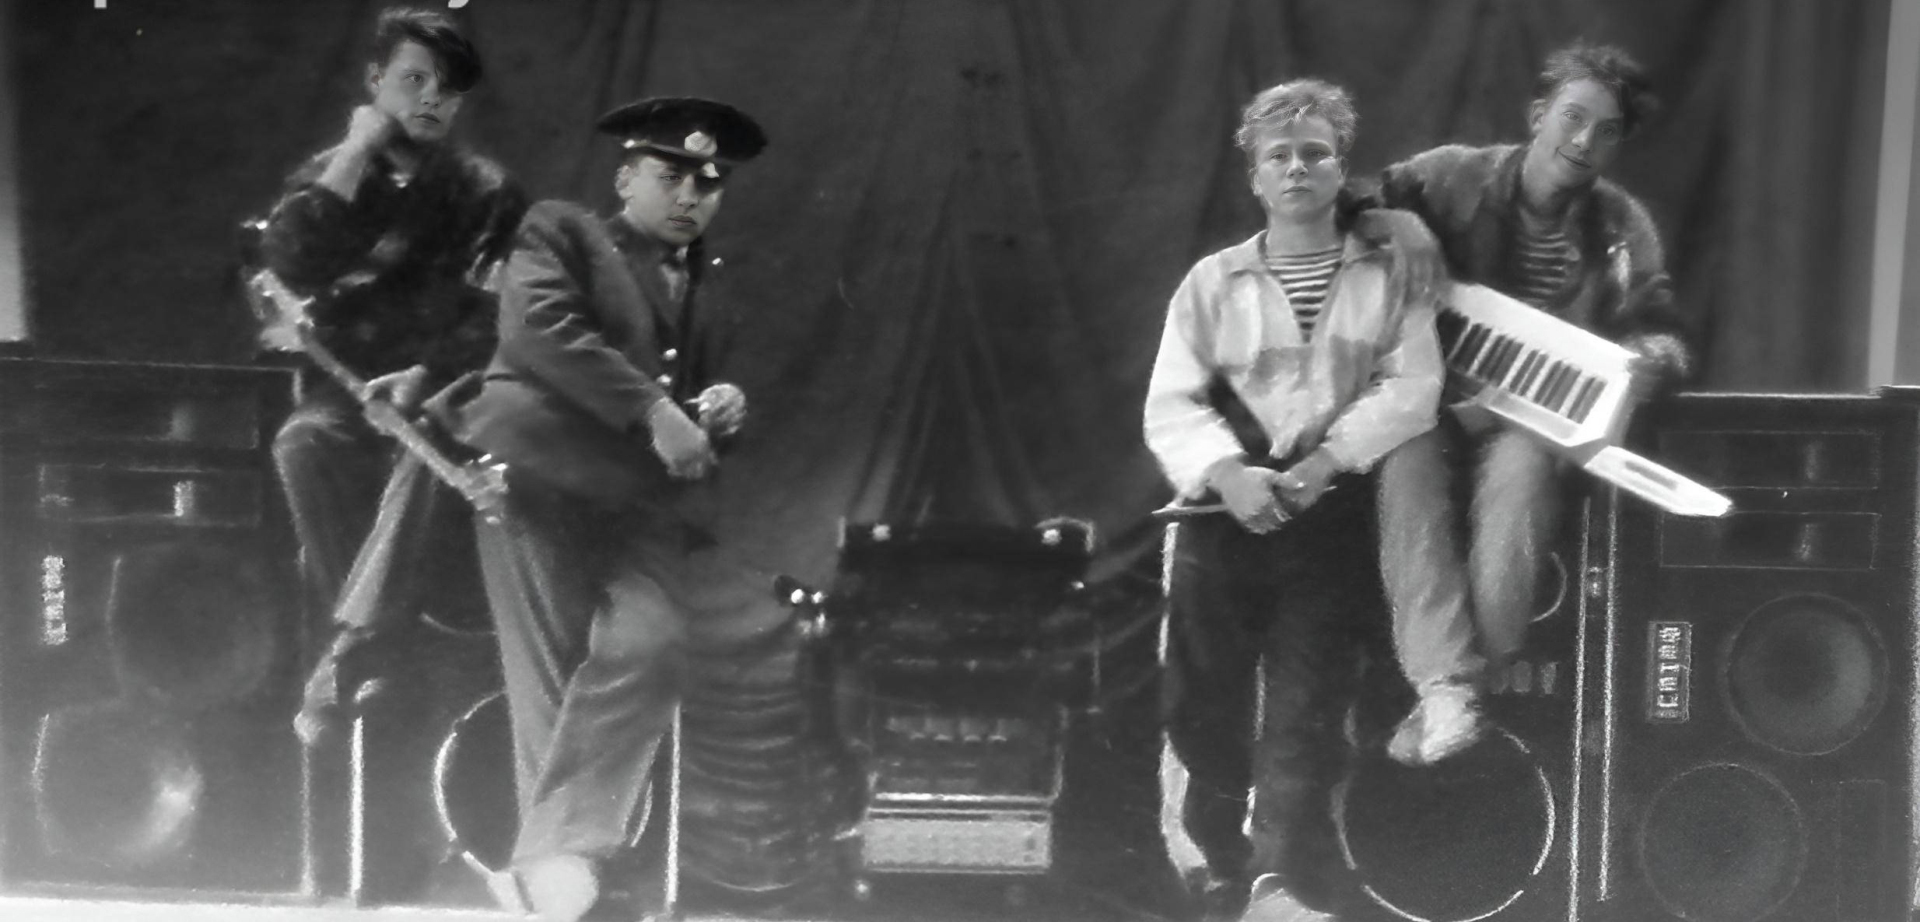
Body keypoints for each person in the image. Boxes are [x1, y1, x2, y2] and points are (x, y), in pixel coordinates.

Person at [441, 96, 770, 922]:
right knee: (552, 678)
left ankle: (546, 867)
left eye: (709, 184)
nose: (690, 196)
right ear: (625, 179)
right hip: (538, 480)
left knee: (650, 645)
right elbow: (542, 333)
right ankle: (565, 884)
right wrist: (656, 411)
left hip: (638, 506)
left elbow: (684, 402)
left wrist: (719, 410)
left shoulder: (713, 283)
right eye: (670, 176)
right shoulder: (561, 232)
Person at [1144, 79, 1447, 922]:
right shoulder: (1212, 281)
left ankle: (1278, 881)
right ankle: (1216, 865)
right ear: (1255, 176)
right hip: (1221, 519)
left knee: (1305, 703)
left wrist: (1322, 465)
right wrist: (1228, 473)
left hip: (1326, 518)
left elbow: (1413, 388)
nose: (1297, 168)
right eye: (1278, 155)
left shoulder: (1386, 277)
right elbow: (1172, 402)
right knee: (1201, 703)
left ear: (1341, 168)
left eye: (1315, 153)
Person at [1372, 41, 1695, 765]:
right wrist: (1400, 223)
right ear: (1538, 114)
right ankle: (1454, 687)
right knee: (1405, 457)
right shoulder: (1452, 175)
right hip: (1431, 402)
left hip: (1532, 420)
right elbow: (1356, 203)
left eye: (1606, 131)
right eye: (1572, 118)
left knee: (1522, 468)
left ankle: (1451, 691)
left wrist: (1653, 356)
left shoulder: (1621, 225)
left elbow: (1660, 325)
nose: (1583, 141)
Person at [256, 6, 525, 626]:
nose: (432, 98)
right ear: (375, 81)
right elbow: (289, 265)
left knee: (430, 445)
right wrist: (355, 150)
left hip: (453, 385)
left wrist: (427, 375)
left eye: (448, 88)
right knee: (304, 443)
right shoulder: (329, 175)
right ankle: (364, 632)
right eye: (414, 79)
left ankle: (370, 640)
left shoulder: (489, 191)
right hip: (350, 388)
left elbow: (499, 312)